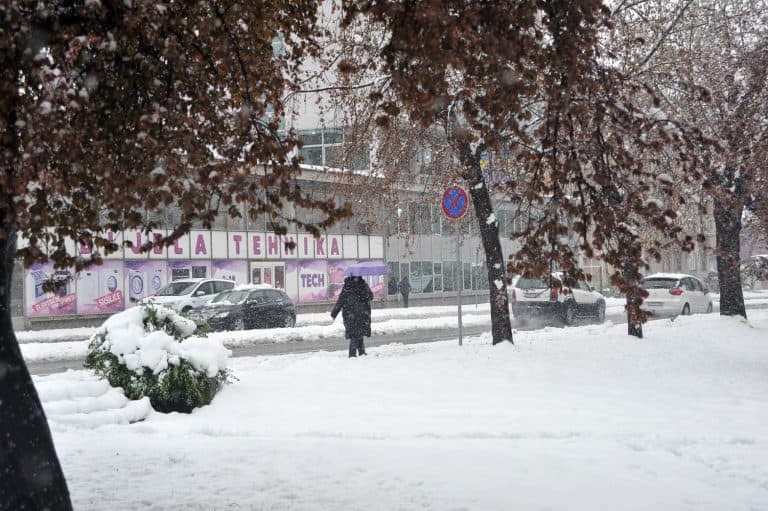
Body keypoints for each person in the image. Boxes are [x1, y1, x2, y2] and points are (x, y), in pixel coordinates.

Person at [331, 276, 373, 357]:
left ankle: (361, 352)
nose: (356, 278)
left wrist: (365, 294)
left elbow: (370, 296)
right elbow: (341, 300)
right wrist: (334, 313)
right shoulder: (353, 286)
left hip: (357, 315)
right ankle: (352, 354)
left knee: (358, 334)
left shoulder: (359, 285)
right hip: (354, 315)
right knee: (355, 335)